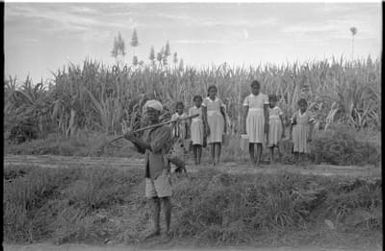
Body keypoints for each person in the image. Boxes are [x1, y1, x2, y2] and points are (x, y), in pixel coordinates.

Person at [124, 100, 173, 239]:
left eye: (152, 112)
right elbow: (142, 149)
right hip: (149, 169)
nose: (150, 114)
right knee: (152, 199)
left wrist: (135, 138)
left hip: (161, 168)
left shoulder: (165, 129)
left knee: (165, 199)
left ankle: (168, 231)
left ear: (159, 113)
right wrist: (132, 140)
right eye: (148, 112)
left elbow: (154, 147)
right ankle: (156, 229)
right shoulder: (147, 129)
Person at [242, 80, 269, 167]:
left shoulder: (264, 97)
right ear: (251, 88)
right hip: (250, 119)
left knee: (259, 140)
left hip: (260, 119)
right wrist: (244, 125)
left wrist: (266, 122)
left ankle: (258, 160)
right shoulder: (248, 98)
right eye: (254, 88)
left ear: (259, 88)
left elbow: (266, 110)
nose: (255, 90)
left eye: (257, 88)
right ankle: (252, 160)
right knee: (251, 141)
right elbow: (245, 112)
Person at [202, 85, 227, 166]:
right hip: (210, 122)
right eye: (211, 91)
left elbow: (223, 113)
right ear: (208, 92)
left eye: (215, 91)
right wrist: (206, 125)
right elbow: (204, 114)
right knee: (212, 142)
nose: (213, 93)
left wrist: (225, 124)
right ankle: (212, 160)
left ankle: (218, 159)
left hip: (219, 122)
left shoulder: (219, 101)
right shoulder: (206, 101)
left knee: (218, 141)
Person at [289, 98, 316, 164]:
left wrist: (310, 135)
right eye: (301, 106)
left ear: (306, 106)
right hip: (296, 132)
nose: (302, 107)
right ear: (299, 106)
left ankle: (302, 162)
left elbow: (312, 124)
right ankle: (296, 162)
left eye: (304, 106)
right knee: (296, 146)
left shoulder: (309, 114)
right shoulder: (296, 114)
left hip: (305, 131)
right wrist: (290, 134)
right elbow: (291, 124)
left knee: (304, 146)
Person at [267, 94, 285, 163]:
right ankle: (272, 160)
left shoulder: (278, 109)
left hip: (277, 129)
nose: (272, 103)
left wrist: (283, 129)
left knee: (279, 144)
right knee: (270, 144)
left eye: (274, 101)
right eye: (271, 101)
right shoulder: (267, 110)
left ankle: (281, 159)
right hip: (270, 129)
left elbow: (281, 119)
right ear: (269, 101)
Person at [189, 95, 204, 165]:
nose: (198, 102)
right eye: (196, 101)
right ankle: (195, 159)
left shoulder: (203, 109)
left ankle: (199, 160)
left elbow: (204, 118)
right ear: (194, 102)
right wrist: (189, 129)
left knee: (200, 144)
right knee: (194, 144)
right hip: (193, 127)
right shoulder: (191, 109)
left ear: (201, 102)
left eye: (199, 101)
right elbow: (189, 119)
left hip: (200, 126)